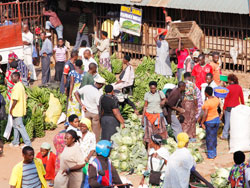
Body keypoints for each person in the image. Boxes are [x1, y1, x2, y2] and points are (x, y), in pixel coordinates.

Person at [75, 76, 106, 141]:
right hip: (95, 113)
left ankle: (86, 141)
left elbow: (76, 93)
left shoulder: (87, 87)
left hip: (86, 111)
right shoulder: (97, 94)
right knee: (96, 132)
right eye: (102, 85)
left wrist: (82, 104)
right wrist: (101, 115)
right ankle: (95, 144)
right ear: (100, 85)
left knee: (86, 129)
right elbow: (99, 106)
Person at [9, 72, 31, 147]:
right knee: (15, 126)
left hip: (17, 109)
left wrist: (11, 109)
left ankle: (27, 142)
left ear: (16, 77)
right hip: (18, 109)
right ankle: (16, 141)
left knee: (20, 126)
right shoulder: (20, 85)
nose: (11, 79)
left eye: (12, 77)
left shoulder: (17, 87)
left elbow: (15, 100)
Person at [221, 74, 244, 140]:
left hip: (229, 107)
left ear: (230, 80)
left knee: (227, 122)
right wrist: (243, 106)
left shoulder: (228, 88)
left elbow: (226, 99)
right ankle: (235, 135)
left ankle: (225, 135)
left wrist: (224, 108)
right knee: (235, 122)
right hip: (237, 107)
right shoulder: (239, 87)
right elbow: (241, 98)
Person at [201, 87, 220, 159]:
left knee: (209, 138)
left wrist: (202, 122)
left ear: (206, 93)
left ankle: (211, 154)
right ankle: (214, 152)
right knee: (214, 137)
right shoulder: (216, 99)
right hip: (216, 120)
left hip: (210, 121)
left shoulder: (207, 103)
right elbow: (218, 107)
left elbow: (205, 114)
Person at [79, 118, 96, 188]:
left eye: (84, 126)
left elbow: (92, 148)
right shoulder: (77, 134)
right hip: (78, 159)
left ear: (88, 127)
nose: (82, 128)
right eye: (81, 126)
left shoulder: (91, 135)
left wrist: (88, 157)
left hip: (87, 160)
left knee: (86, 177)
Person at [182, 72, 197, 141]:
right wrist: (196, 106)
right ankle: (191, 136)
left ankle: (184, 135)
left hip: (183, 103)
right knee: (192, 120)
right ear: (189, 77)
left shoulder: (181, 84)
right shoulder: (192, 84)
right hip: (190, 103)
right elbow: (194, 97)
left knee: (185, 120)